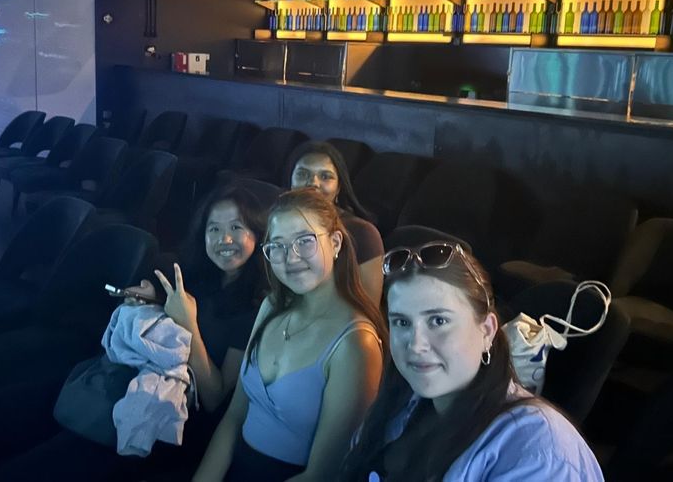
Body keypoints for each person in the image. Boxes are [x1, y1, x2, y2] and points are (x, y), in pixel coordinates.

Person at [0, 184, 268, 482]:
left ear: (258, 234)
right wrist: (151, 300)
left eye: (237, 227)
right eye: (214, 229)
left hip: (161, 414)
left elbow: (215, 396)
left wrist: (189, 325)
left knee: (22, 472)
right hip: (122, 379)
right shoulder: (201, 274)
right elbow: (172, 312)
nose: (225, 239)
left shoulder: (256, 309)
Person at [339, 242, 605, 481]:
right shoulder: (403, 402)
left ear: (487, 330)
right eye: (402, 322)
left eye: (438, 321)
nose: (416, 344)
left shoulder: (539, 450)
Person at [193, 188, 386, 482]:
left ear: (335, 243)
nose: (290, 258)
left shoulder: (356, 343)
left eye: (304, 242)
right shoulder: (271, 306)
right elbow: (234, 418)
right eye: (278, 246)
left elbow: (322, 473)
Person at [284, 141, 385, 304]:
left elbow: (368, 309)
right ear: (290, 181)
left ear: (338, 188)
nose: (313, 183)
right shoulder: (278, 222)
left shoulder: (363, 234)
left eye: (325, 176)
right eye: (303, 174)